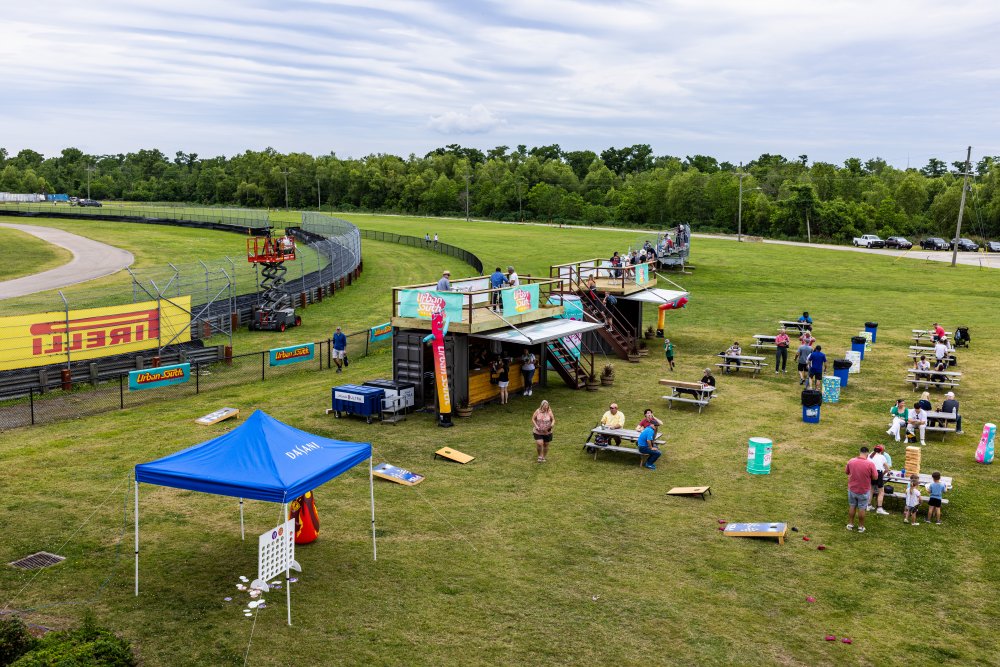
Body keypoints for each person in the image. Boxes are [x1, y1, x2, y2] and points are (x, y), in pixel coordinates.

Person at [846, 446, 877, 533]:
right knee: (862, 508)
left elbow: (847, 472)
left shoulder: (851, 461)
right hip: (864, 490)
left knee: (852, 506)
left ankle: (850, 524)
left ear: (859, 452)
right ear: (867, 453)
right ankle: (860, 526)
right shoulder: (870, 464)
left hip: (852, 488)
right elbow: (875, 477)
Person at [867, 445, 891, 515]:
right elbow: (887, 468)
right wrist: (883, 474)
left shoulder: (870, 455)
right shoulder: (882, 457)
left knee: (871, 489)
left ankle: (868, 505)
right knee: (881, 492)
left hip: (870, 473)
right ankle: (879, 508)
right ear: (881, 451)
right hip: (878, 473)